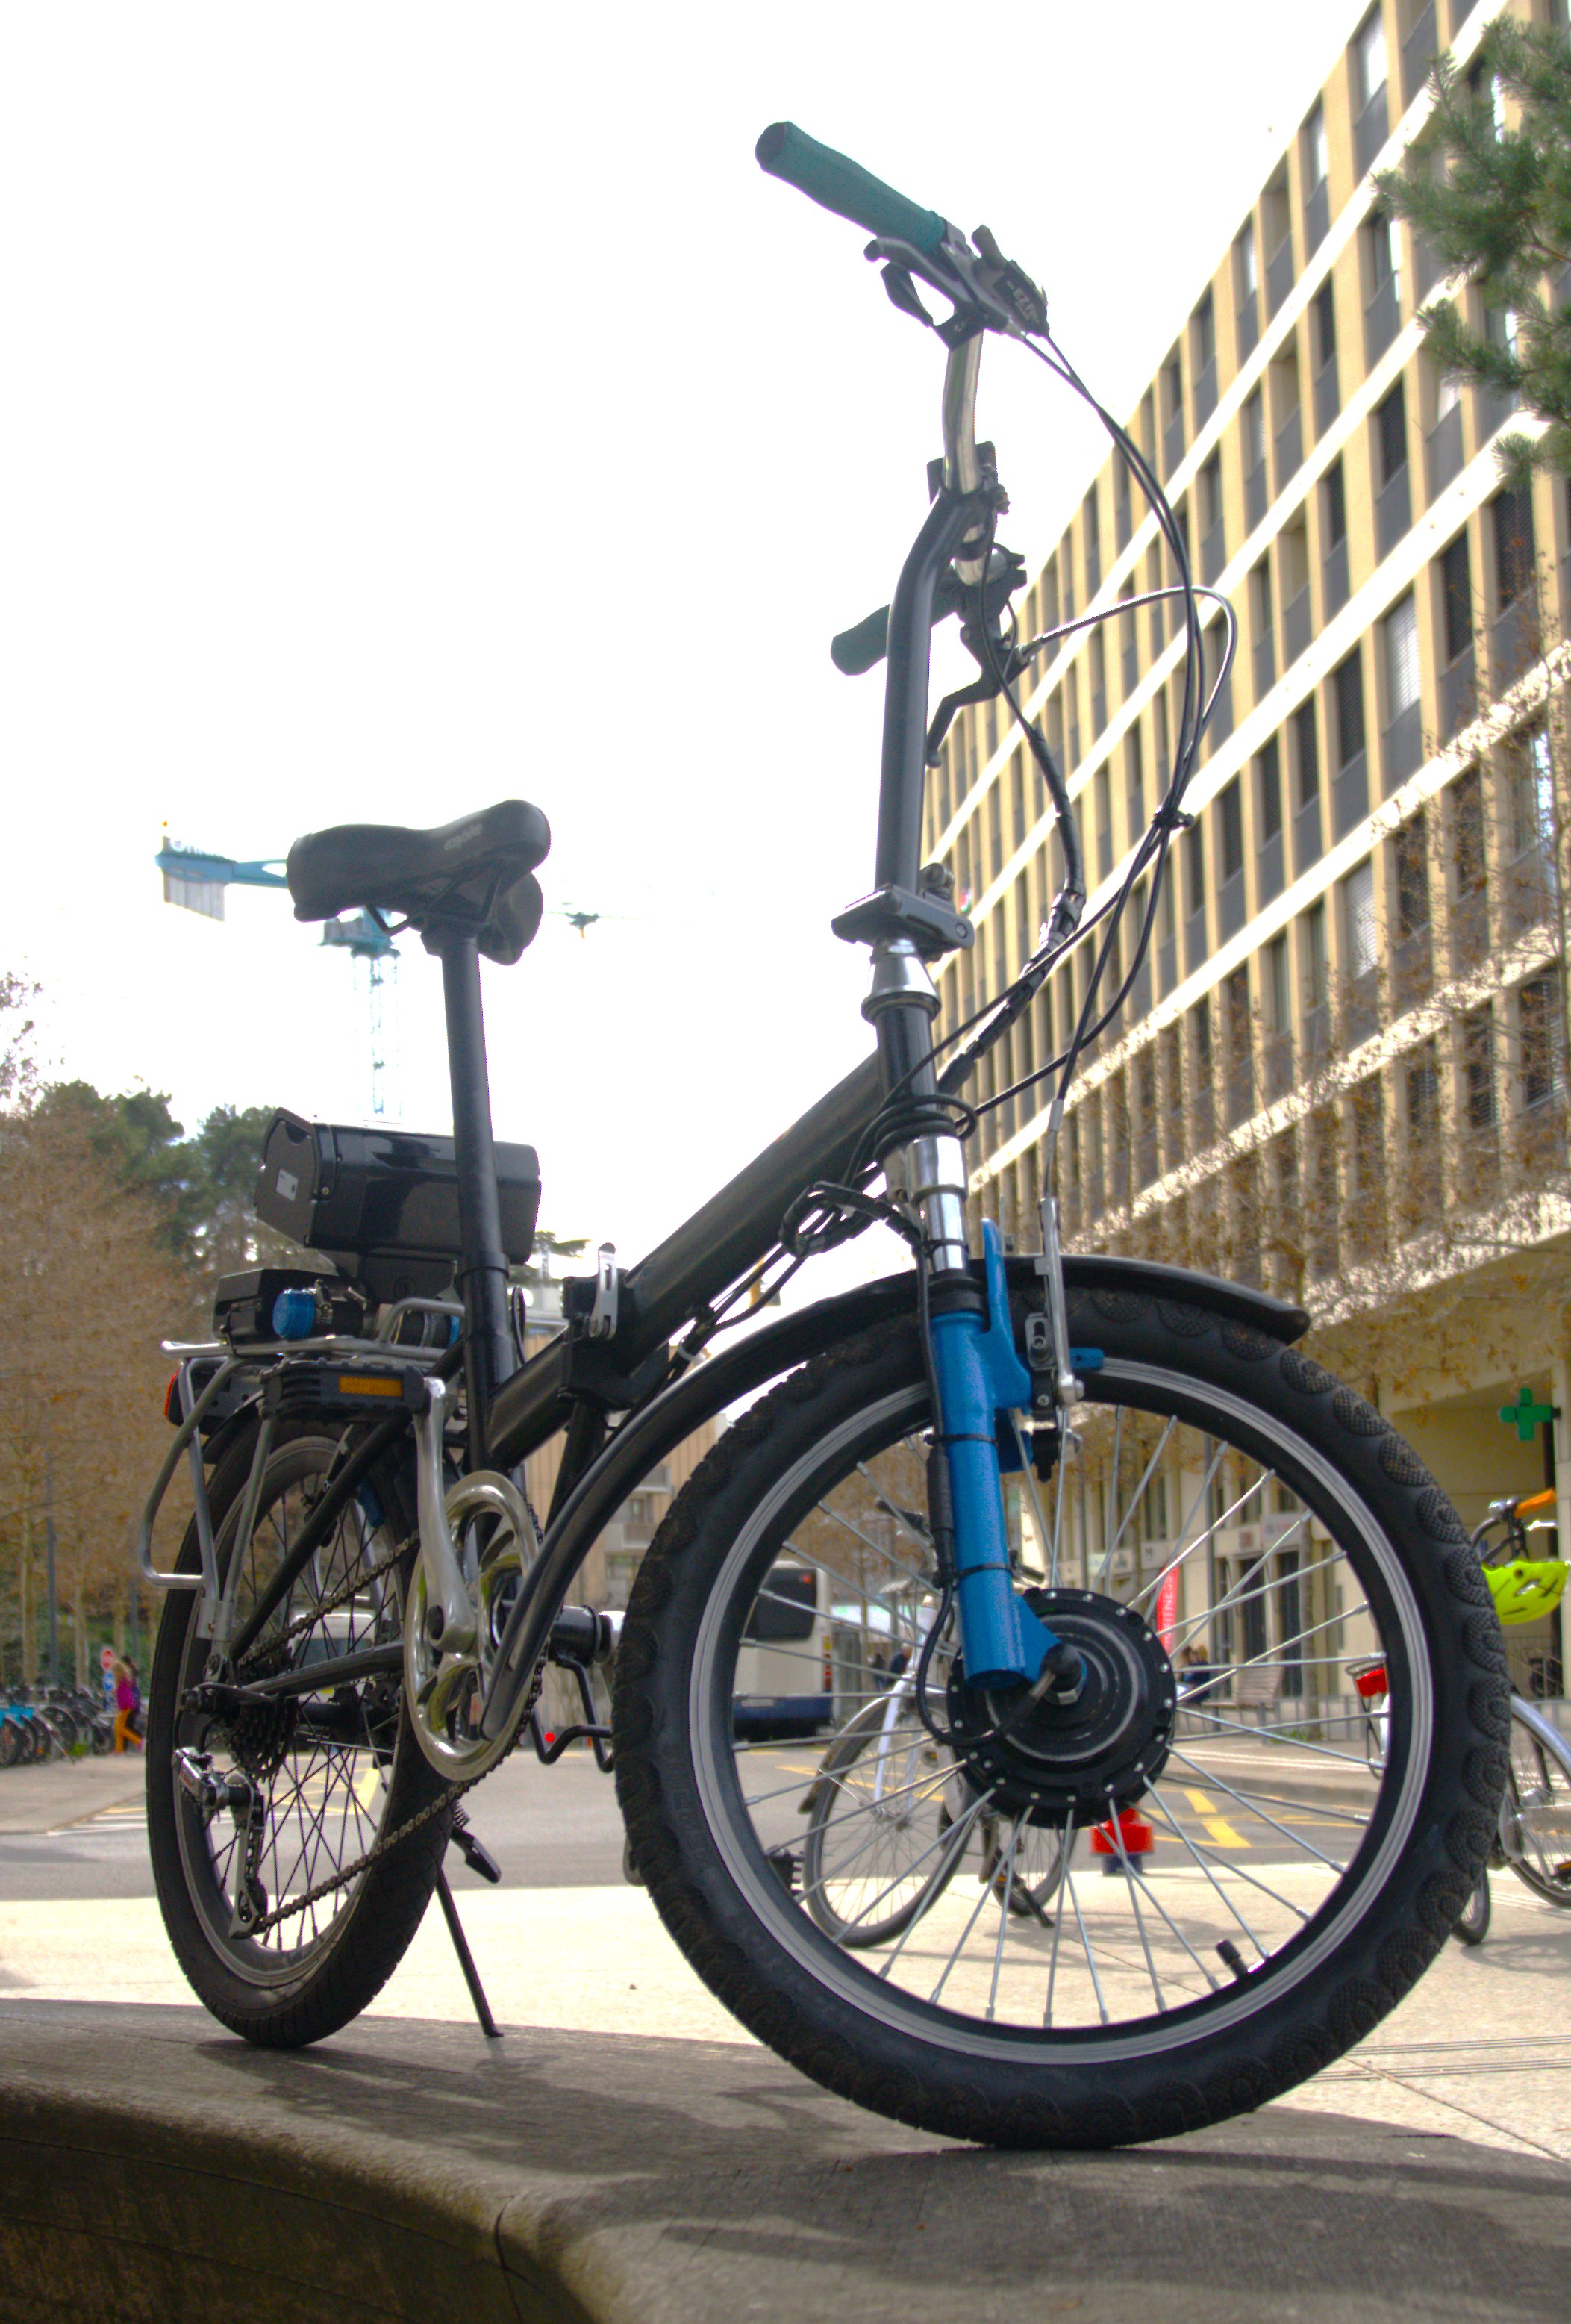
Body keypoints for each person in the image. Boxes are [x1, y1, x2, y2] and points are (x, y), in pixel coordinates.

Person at [113, 1657, 142, 1754]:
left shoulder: (122, 1681)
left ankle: (137, 1741)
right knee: (118, 1727)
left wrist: (119, 1707)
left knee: (120, 1728)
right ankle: (119, 1749)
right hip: (126, 1706)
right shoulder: (125, 1680)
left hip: (125, 1707)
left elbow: (123, 1696)